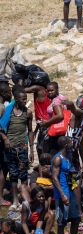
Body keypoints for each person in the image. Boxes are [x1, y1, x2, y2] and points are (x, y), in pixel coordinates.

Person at [1, 88, 34, 206]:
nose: (25, 101)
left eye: (26, 98)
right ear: (15, 99)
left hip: (22, 148)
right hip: (10, 148)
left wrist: (31, 149)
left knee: (23, 174)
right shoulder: (7, 111)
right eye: (22, 99)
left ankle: (24, 198)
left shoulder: (28, 113)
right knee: (13, 175)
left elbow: (30, 131)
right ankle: (15, 200)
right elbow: (0, 127)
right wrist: (5, 139)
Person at [51, 136, 81, 234]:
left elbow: (70, 173)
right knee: (62, 222)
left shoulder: (68, 157)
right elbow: (54, 178)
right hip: (62, 194)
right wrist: (62, 194)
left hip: (71, 192)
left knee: (76, 218)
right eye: (70, 142)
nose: (72, 144)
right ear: (65, 145)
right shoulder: (57, 159)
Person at [23, 84, 51, 160]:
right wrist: (35, 131)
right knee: (41, 148)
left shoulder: (41, 89)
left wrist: (19, 87)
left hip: (46, 126)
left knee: (42, 148)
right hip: (42, 125)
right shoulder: (44, 92)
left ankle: (43, 166)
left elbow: (27, 90)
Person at [39, 82, 67, 156]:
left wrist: (47, 123)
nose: (50, 92)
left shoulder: (56, 101)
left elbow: (60, 116)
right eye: (48, 91)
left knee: (52, 154)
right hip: (63, 130)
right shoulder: (62, 98)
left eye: (52, 90)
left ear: (57, 90)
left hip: (57, 132)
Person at [0, 77, 12, 207]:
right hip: (1, 143)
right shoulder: (1, 107)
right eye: (9, 92)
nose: (11, 94)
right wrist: (5, 138)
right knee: (3, 170)